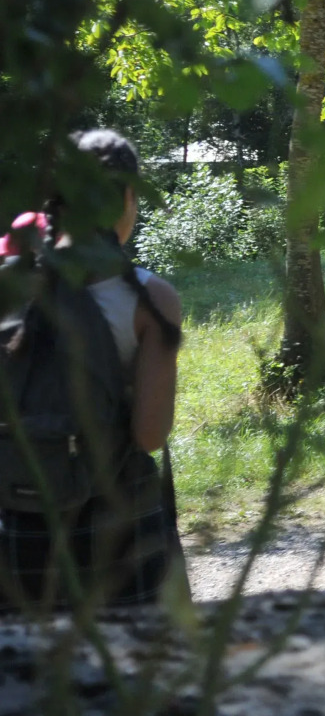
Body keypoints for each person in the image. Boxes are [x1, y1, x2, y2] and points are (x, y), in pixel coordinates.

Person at [0, 128, 186, 610]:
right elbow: (149, 435)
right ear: (127, 197)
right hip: (117, 531)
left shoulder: (9, 287)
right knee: (130, 673)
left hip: (14, 526)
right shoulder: (150, 298)